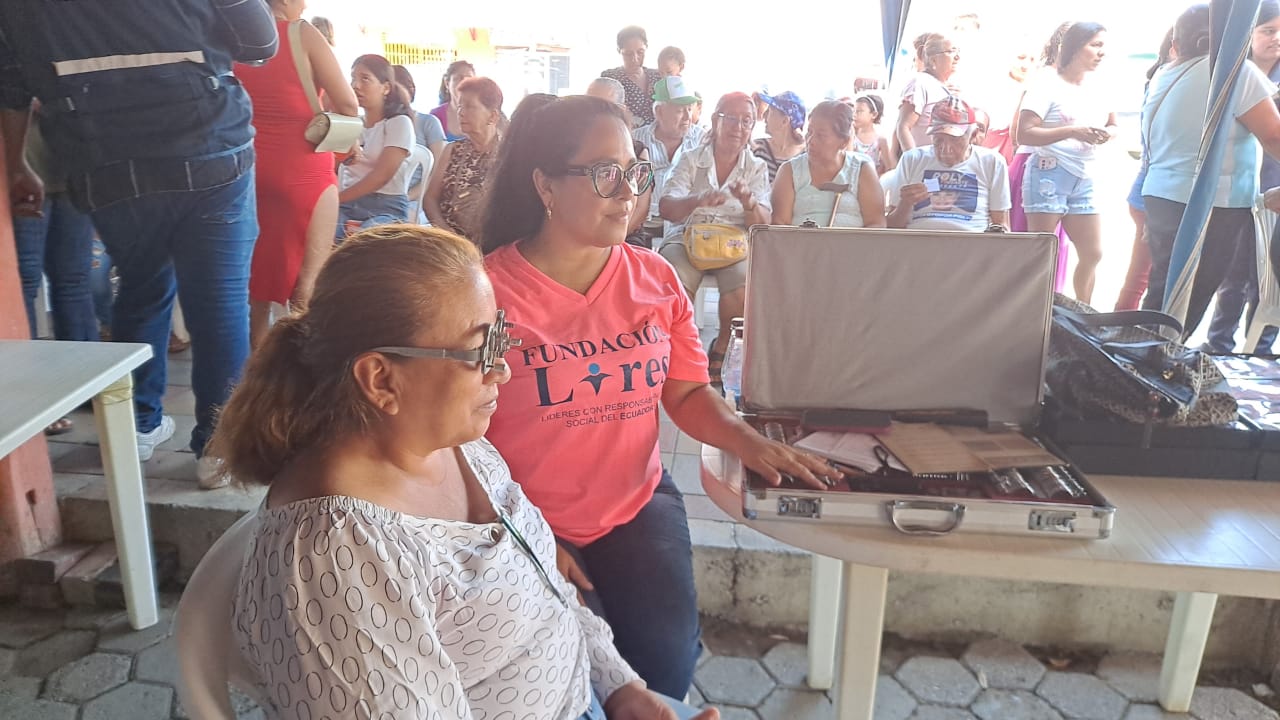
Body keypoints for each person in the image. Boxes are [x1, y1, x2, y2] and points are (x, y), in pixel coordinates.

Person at [207, 225, 714, 720]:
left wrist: (619, 687)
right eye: (479, 351)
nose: (503, 369)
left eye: (500, 339)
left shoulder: (456, 447)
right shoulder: (337, 559)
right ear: (380, 379)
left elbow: (547, 592)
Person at [477, 94, 836, 700]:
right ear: (545, 185)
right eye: (604, 173)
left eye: (634, 171)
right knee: (566, 682)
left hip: (635, 503)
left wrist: (750, 443)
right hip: (521, 518)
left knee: (664, 670)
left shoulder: (655, 277)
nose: (627, 192)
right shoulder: (485, 294)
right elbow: (450, 441)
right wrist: (520, 533)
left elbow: (688, 391)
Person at [0, 0, 277, 480]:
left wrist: (17, 162)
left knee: (141, 283)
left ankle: (135, 428)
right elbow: (260, 44)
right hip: (210, 149)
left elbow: (12, 84)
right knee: (219, 300)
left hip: (102, 161)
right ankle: (218, 450)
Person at [1142, 4, 1280, 340]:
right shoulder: (1233, 72)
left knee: (1165, 291)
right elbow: (1274, 136)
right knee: (1189, 297)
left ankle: (1139, 354)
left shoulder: (1166, 73)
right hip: (1211, 203)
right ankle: (1153, 357)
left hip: (1162, 195)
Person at [238, 5, 358, 359]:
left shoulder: (234, 36)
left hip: (249, 170)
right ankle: (299, 373)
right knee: (307, 286)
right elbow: (348, 104)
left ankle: (256, 372)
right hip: (303, 170)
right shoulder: (302, 33)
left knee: (256, 287)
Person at [659, 92, 771, 387]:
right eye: (731, 118)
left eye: (746, 121)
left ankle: (721, 346)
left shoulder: (756, 167)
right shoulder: (690, 158)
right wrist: (697, 200)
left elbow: (762, 225)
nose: (738, 127)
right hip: (688, 234)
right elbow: (667, 208)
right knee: (671, 279)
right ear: (715, 120)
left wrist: (749, 202)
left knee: (743, 284)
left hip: (733, 242)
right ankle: (680, 348)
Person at [1017, 21, 1116, 304]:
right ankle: (1035, 310)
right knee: (1042, 251)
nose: (1101, 52)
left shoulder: (1100, 86)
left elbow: (1113, 124)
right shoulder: (1046, 84)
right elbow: (1023, 133)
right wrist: (1072, 131)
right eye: (1095, 45)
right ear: (1074, 47)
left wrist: (1106, 134)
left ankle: (1083, 311)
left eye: (1103, 46)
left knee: (1093, 252)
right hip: (1049, 171)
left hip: (1085, 174)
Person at [13, 112, 98, 436]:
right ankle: (33, 395)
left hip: (71, 167)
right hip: (18, 169)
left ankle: (85, 384)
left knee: (74, 280)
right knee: (23, 284)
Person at [1204, 0, 1280, 352]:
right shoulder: (1232, 71)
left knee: (1267, 277)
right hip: (1237, 191)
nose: (1276, 38)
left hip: (1274, 189)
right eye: (1268, 31)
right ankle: (1219, 342)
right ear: (1248, 33)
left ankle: (1259, 349)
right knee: (1232, 273)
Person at [1115, 28, 1176, 312]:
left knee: (1143, 278)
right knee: (1141, 279)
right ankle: (1120, 331)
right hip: (1152, 195)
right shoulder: (1167, 81)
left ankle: (1122, 329)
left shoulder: (1162, 79)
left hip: (1149, 191)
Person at [888, 97, 1011, 232]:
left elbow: (1001, 226)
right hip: (919, 239)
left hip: (972, 241)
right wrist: (905, 204)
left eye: (955, 140)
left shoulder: (992, 162)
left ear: (973, 135)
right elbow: (891, 227)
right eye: (938, 140)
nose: (946, 149)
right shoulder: (912, 159)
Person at [336, 54, 415, 237]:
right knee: (321, 231)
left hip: (386, 207)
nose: (356, 85)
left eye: (365, 79)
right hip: (347, 204)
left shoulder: (399, 123)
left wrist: (337, 199)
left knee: (366, 241)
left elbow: (381, 176)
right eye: (353, 78)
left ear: (386, 88)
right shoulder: (352, 124)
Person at [772, 101, 885, 228]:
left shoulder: (862, 169)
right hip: (800, 241)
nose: (811, 140)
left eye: (821, 136)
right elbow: (780, 225)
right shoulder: (789, 171)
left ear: (844, 142)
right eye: (809, 132)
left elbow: (876, 223)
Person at [425, 77, 503, 244]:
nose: (460, 112)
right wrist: (447, 234)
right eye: (460, 106)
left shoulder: (508, 154)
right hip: (450, 242)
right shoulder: (452, 150)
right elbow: (430, 200)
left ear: (493, 115)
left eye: (469, 107)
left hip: (493, 243)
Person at [632, 77, 705, 223]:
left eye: (689, 109)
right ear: (659, 112)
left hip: (685, 222)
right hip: (644, 222)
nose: (687, 117)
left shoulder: (702, 140)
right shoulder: (636, 140)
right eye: (679, 110)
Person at [895, 33, 959, 155]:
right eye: (951, 51)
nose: (957, 57)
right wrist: (915, 160)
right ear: (933, 59)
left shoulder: (946, 88)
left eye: (958, 51)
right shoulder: (919, 83)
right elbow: (903, 127)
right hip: (925, 162)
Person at [601, 25, 661, 127]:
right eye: (628, 54)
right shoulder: (611, 78)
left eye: (640, 52)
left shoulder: (657, 76)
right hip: (625, 134)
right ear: (619, 50)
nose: (635, 58)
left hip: (658, 136)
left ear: (646, 48)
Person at [392, 65, 447, 164]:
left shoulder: (429, 122)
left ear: (411, 90)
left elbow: (440, 165)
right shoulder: (378, 126)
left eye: (396, 90)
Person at [751, 91, 806, 183]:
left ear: (784, 121)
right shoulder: (757, 148)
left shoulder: (805, 157)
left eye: (770, 111)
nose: (763, 115)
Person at [430, 60, 475, 142]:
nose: (464, 82)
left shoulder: (484, 113)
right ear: (447, 83)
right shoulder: (435, 116)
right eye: (459, 78)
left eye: (469, 78)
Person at [851, 94, 894, 175]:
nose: (854, 115)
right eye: (854, 111)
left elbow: (889, 168)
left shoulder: (880, 140)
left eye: (859, 111)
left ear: (874, 114)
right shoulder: (852, 135)